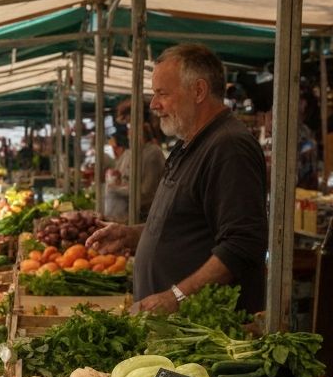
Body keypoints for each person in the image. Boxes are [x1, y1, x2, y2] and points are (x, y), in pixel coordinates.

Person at [87, 43, 267, 314]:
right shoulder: (190, 143)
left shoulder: (229, 147)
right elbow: (187, 224)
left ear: (198, 91)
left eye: (162, 93)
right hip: (173, 329)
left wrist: (177, 296)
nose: (154, 105)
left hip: (203, 332)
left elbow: (242, 244)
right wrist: (134, 234)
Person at [103, 123, 167, 224]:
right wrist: (117, 177)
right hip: (123, 214)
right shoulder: (130, 152)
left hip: (144, 215)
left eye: (131, 134)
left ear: (140, 136)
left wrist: (117, 188)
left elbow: (147, 191)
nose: (129, 137)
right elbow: (120, 173)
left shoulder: (153, 154)